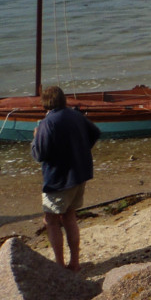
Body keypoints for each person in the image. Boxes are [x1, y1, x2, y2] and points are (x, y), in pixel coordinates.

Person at [30, 86, 101, 271]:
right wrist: (79, 150)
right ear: (63, 99)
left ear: (45, 103)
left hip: (59, 179)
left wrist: (35, 138)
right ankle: (74, 263)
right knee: (69, 216)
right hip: (79, 174)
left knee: (51, 220)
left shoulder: (48, 122)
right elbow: (95, 133)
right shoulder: (75, 115)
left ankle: (60, 265)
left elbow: (39, 154)